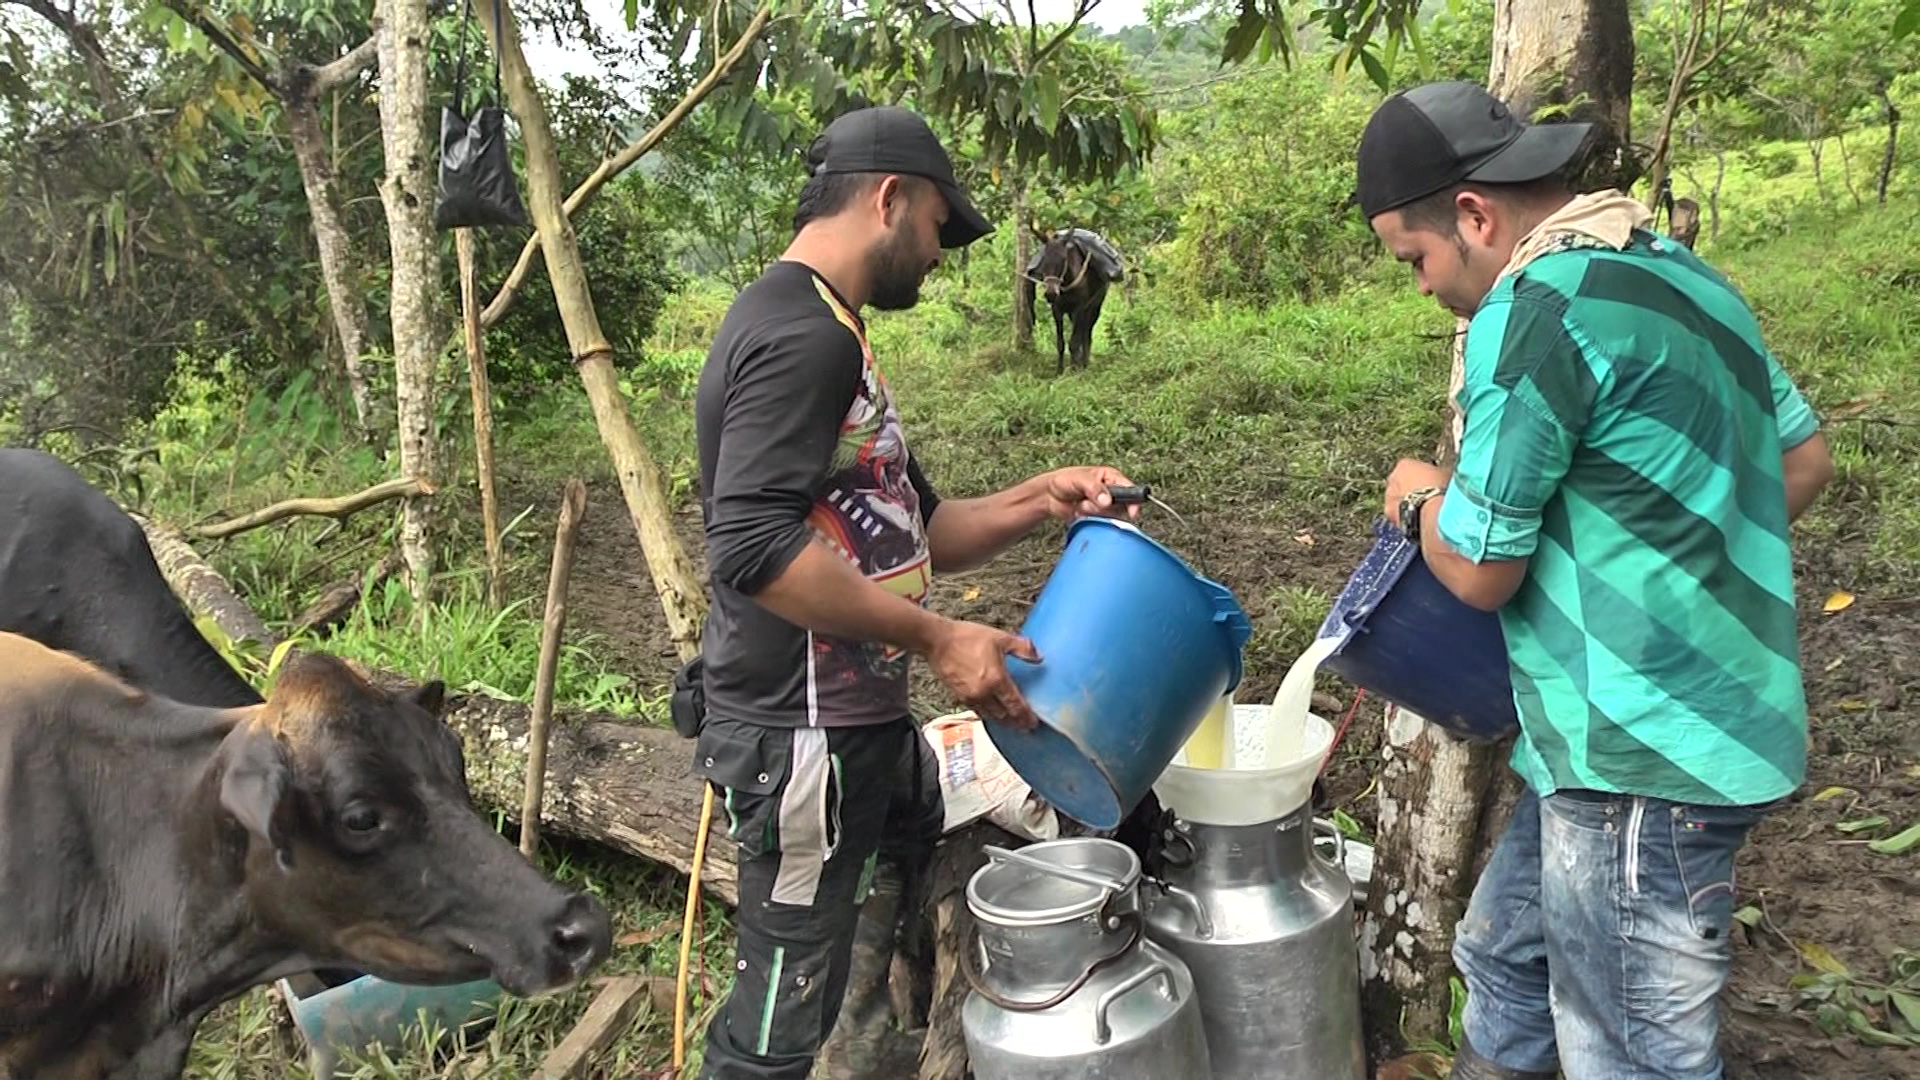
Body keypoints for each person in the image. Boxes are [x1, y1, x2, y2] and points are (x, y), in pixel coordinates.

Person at [1353, 81, 1835, 1080]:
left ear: (1475, 218)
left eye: (1417, 259)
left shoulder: (1536, 309)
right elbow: (1801, 462)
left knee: (1629, 1047)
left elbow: (1481, 567)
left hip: (1638, 756)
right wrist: (1658, 567)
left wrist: (1414, 499)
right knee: (1505, 953)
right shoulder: (1680, 273)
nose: (1423, 287)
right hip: (1659, 733)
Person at [689, 104, 1141, 1080]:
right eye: (939, 225)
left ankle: (876, 1048)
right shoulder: (797, 335)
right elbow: (753, 543)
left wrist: (1041, 497)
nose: (939, 253)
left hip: (861, 725)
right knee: (771, 1026)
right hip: (799, 733)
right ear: (891, 200)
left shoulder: (836, 333)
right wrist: (940, 640)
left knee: (883, 897)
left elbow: (919, 524)